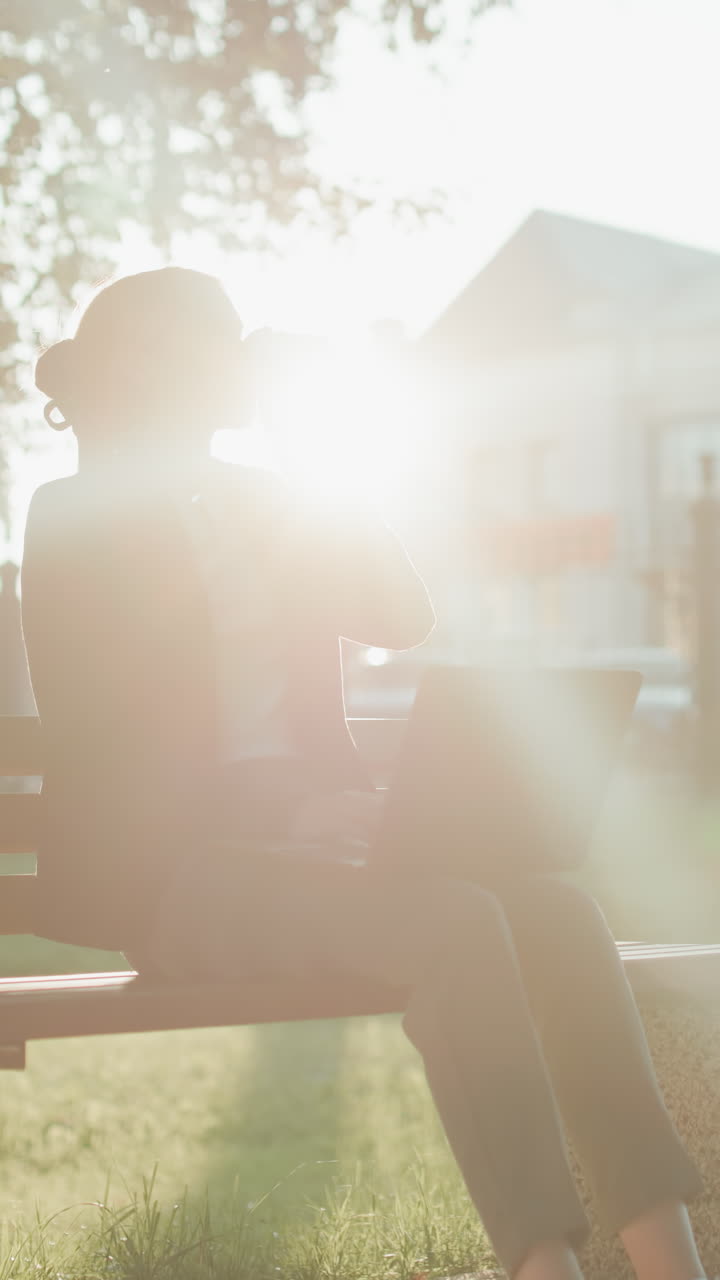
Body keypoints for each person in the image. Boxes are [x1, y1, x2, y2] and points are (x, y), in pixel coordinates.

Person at [22, 267, 707, 1280]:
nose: (238, 367)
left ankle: (672, 1264)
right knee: (459, 924)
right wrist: (292, 807)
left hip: (312, 853)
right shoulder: (76, 512)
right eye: (218, 349)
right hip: (181, 875)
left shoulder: (269, 500)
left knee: (559, 911)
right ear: (157, 371)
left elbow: (401, 614)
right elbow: (107, 736)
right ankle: (544, 1263)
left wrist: (312, 456)